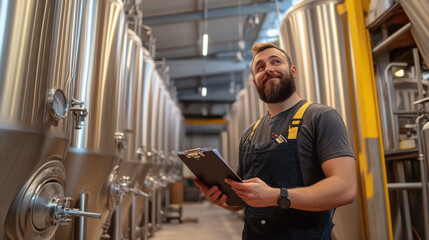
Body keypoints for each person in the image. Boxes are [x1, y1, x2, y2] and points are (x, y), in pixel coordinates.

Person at [194, 42, 356, 239]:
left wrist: (276, 196)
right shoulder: (250, 133)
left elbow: (345, 188)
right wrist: (221, 198)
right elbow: (240, 201)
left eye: (275, 62)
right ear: (255, 82)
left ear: (293, 71)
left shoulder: (320, 117)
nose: (268, 69)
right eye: (260, 67)